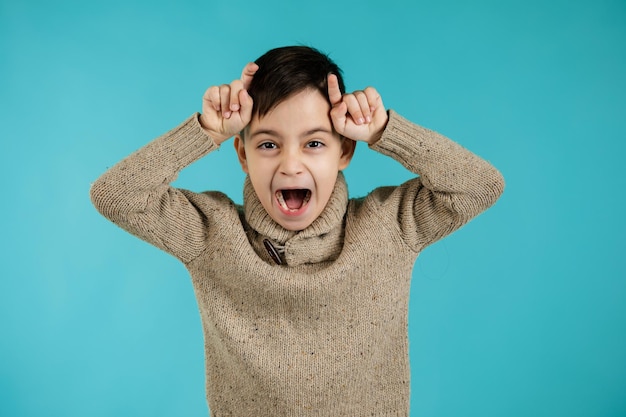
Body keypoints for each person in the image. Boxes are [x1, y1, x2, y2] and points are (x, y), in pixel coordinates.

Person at [90, 45, 504, 416]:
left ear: (345, 149)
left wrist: (385, 131)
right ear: (243, 153)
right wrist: (207, 131)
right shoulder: (211, 233)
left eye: (314, 144)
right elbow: (116, 195)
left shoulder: (389, 225)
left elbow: (479, 185)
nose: (290, 164)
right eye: (268, 144)